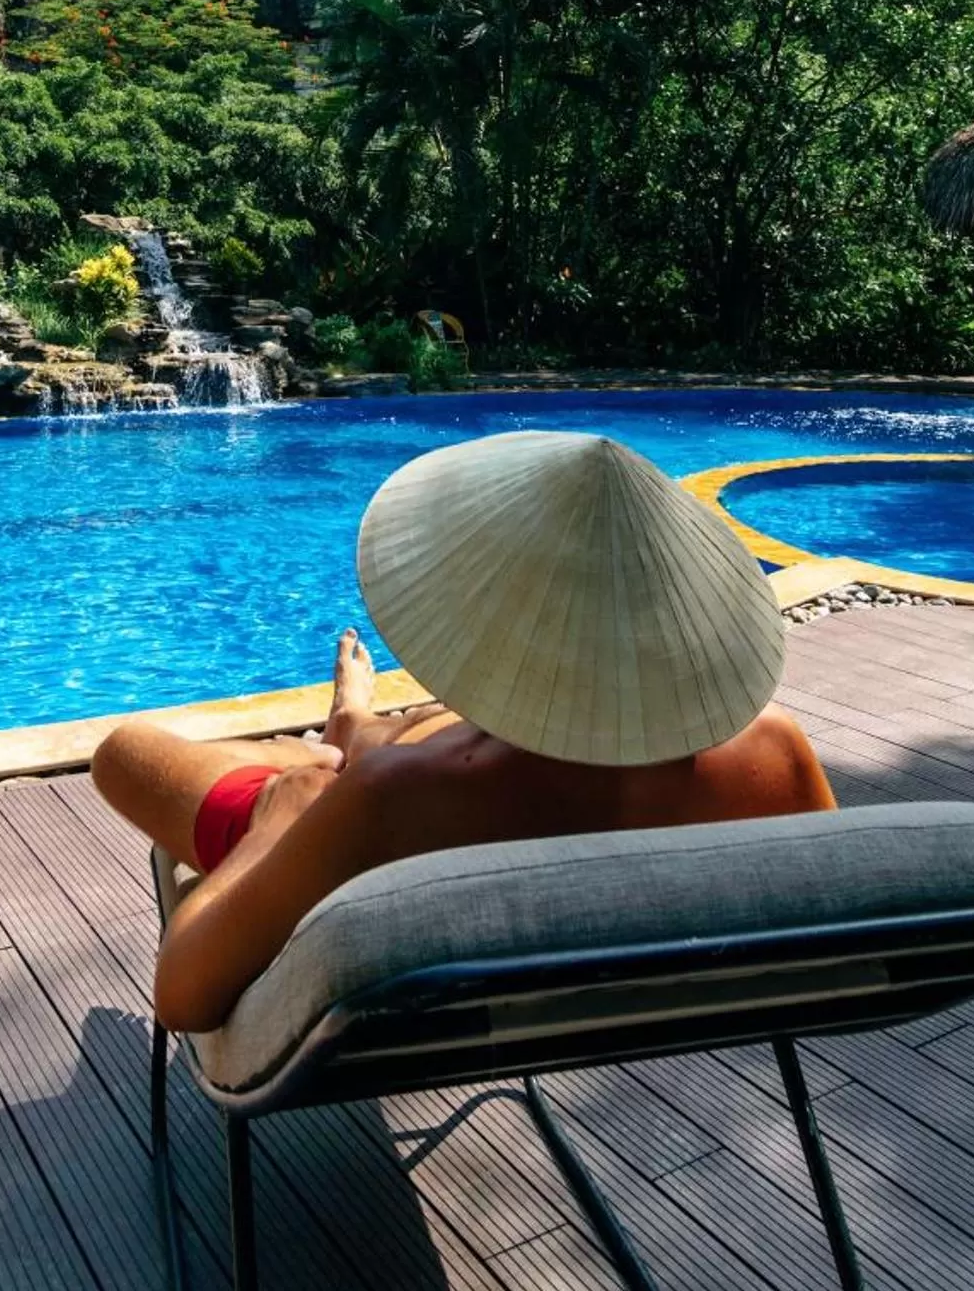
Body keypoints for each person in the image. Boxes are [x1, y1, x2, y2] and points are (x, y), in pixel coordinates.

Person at [92, 431, 835, 1032]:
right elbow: (835, 934)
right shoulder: (776, 753)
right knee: (425, 735)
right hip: (553, 926)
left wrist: (282, 819)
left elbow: (181, 991)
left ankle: (331, 745)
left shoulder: (391, 800)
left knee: (127, 752)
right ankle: (353, 727)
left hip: (356, 820)